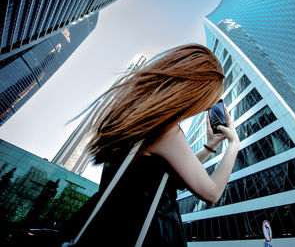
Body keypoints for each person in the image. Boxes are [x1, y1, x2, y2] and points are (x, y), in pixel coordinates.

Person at [72, 44, 239, 246]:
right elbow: (211, 192)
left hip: (112, 231)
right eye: (206, 100)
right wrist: (233, 145)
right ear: (194, 90)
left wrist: (209, 147)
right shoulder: (167, 132)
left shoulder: (134, 118)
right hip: (153, 236)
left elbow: (165, 177)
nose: (203, 107)